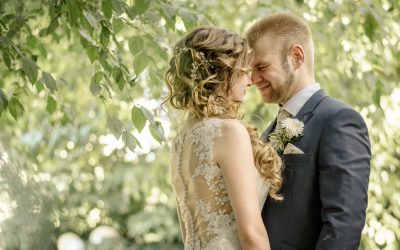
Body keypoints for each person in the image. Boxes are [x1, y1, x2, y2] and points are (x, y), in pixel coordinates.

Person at [245, 13, 371, 249]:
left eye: (261, 66)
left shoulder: (339, 121)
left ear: (296, 57)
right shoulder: (268, 133)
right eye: (249, 70)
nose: (252, 79)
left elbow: (342, 226)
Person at [164, 27, 283, 249]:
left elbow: (187, 233)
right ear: (222, 72)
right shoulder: (227, 132)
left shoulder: (180, 141)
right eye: (243, 71)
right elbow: (251, 234)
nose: (250, 81)